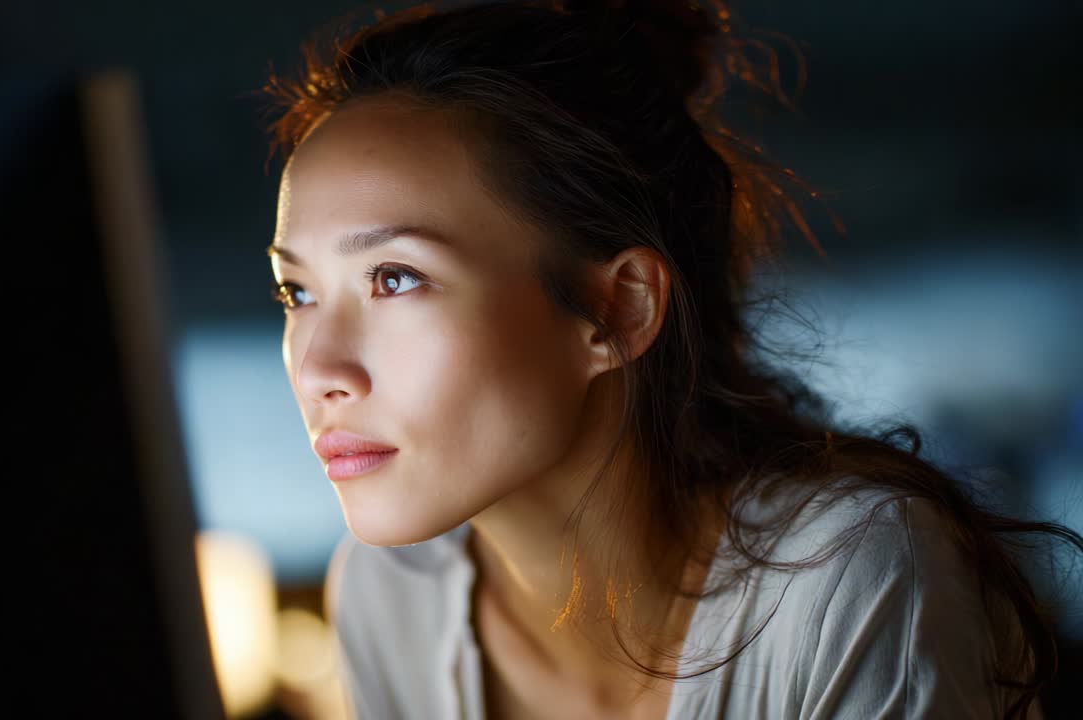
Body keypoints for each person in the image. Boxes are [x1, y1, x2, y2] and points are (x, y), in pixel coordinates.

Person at [259, 1, 1081, 717]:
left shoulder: (851, 583)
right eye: (297, 292)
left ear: (618, 309)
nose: (319, 370)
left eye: (395, 278)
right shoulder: (389, 597)